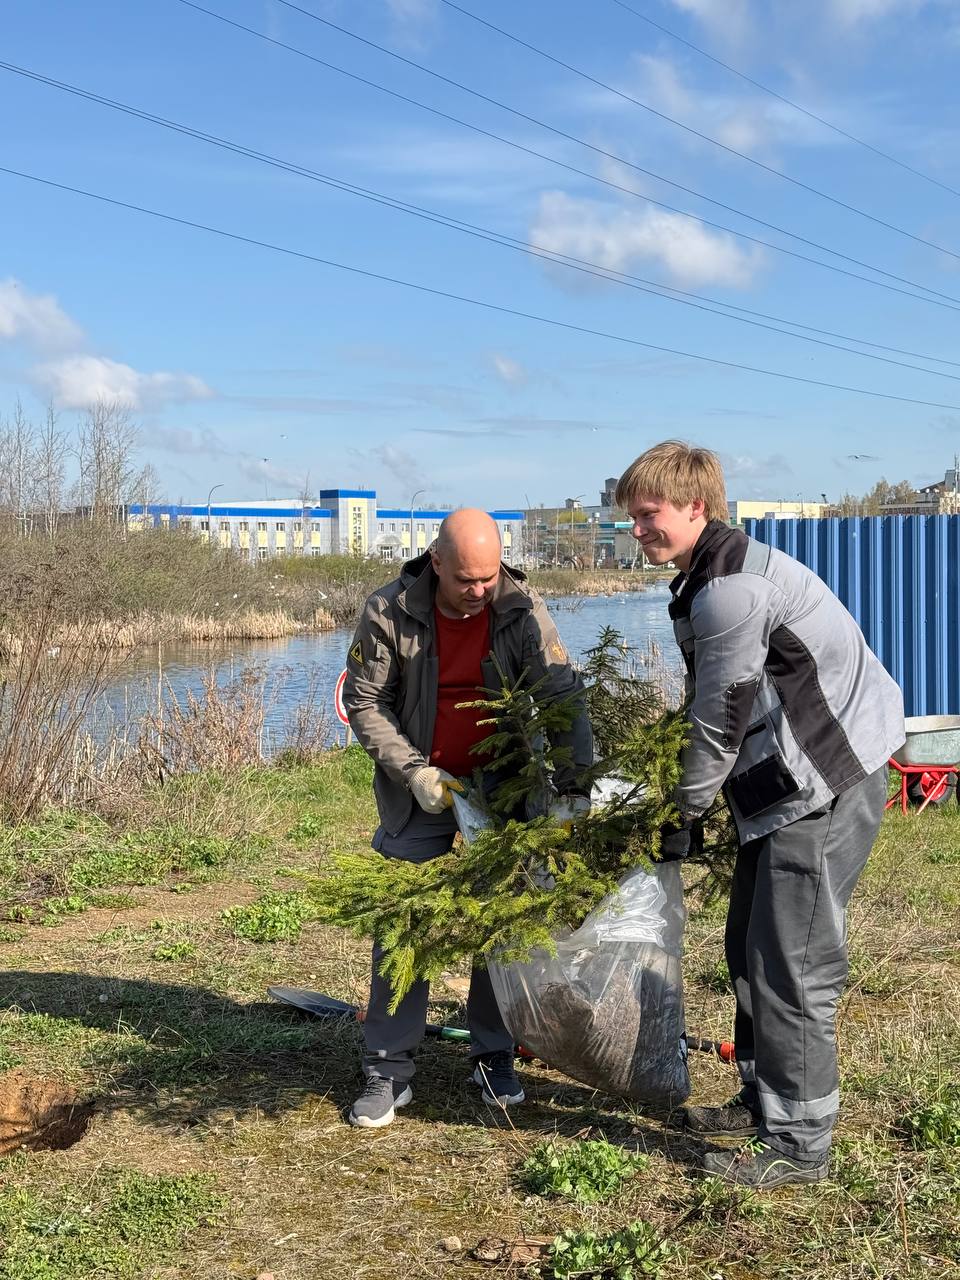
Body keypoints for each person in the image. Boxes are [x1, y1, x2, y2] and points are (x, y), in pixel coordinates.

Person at [615, 441, 904, 1188]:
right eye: (632, 518)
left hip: (823, 785)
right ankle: (760, 1100)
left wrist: (682, 811)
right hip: (783, 786)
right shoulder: (712, 573)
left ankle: (800, 1144)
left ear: (696, 507)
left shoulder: (731, 591)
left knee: (792, 964)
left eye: (648, 515)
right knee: (748, 944)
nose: (637, 531)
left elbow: (718, 720)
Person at [342, 508, 593, 1128]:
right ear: (436, 562)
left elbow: (562, 694)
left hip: (503, 786)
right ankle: (387, 1068)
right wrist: (413, 772)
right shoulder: (388, 611)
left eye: (489, 577)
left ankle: (493, 1055)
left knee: (499, 919)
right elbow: (364, 702)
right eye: (466, 580)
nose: (480, 590)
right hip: (421, 786)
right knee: (406, 919)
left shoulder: (521, 609)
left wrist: (573, 788)